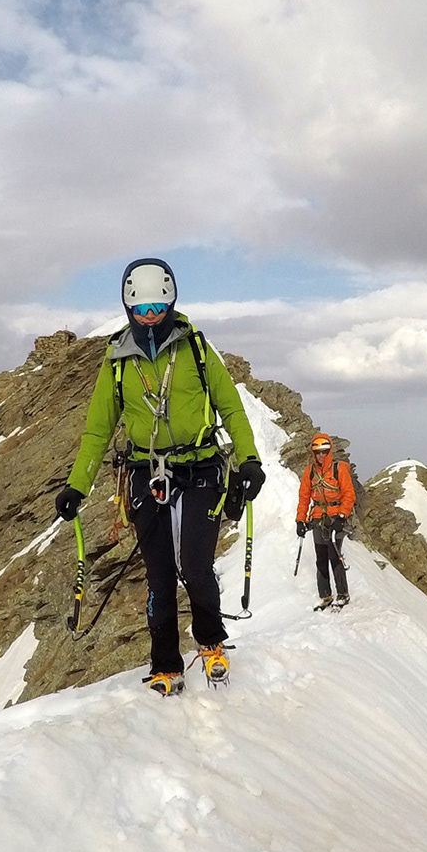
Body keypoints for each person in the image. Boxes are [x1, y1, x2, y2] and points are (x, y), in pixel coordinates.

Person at [54, 258, 266, 695]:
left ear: (171, 301)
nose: (149, 315)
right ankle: (165, 662)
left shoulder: (197, 350)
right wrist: (78, 484)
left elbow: (231, 407)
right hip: (144, 472)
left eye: (158, 305)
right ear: (128, 306)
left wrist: (250, 460)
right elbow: (98, 429)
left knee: (195, 564)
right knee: (160, 574)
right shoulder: (116, 360)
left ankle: (210, 641)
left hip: (202, 467)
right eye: (140, 307)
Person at [296, 431, 355, 608]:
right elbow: (304, 497)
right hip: (317, 519)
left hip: (336, 518)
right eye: (318, 451)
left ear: (329, 451)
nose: (321, 455)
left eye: (324, 451)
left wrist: (342, 516)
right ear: (313, 453)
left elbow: (348, 494)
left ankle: (343, 594)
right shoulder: (310, 472)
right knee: (321, 557)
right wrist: (300, 520)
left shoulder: (339, 468)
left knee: (334, 555)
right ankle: (326, 596)